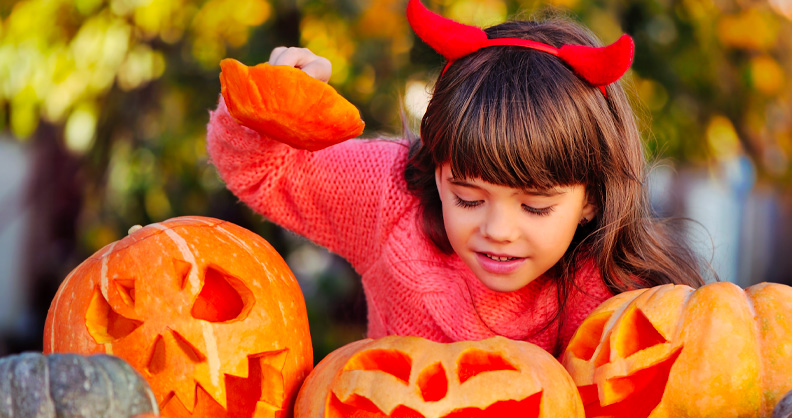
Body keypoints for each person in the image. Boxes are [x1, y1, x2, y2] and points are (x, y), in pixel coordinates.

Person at [206, 0, 707, 358]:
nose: (499, 229)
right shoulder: (389, 194)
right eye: (468, 197)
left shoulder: (606, 289)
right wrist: (265, 105)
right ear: (438, 169)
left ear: (592, 199)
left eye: (535, 207)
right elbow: (262, 171)